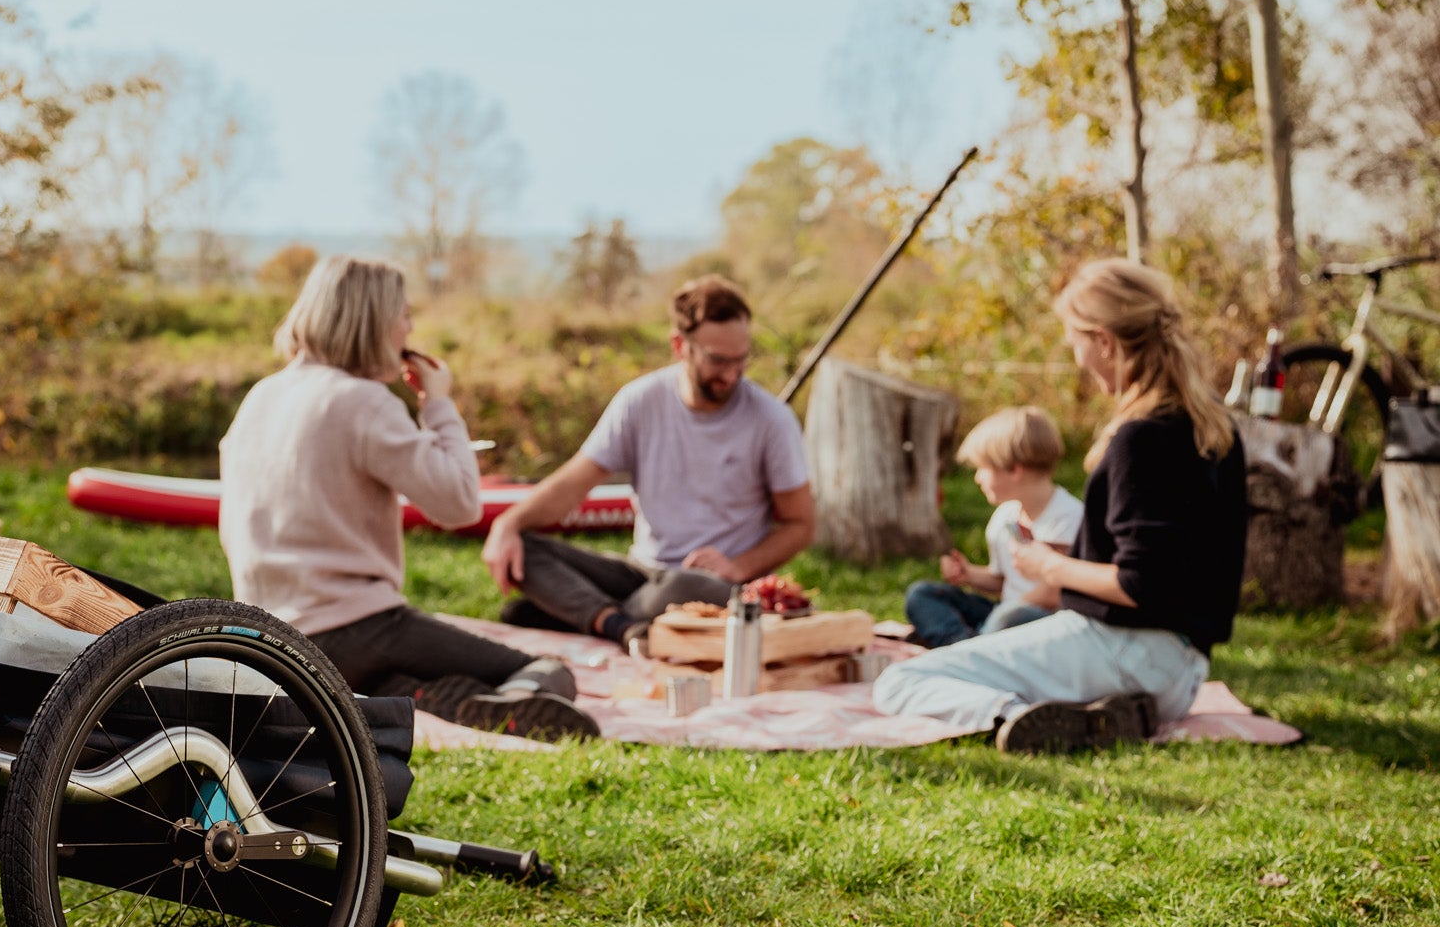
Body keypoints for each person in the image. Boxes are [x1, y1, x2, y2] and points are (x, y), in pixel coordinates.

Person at [219, 255, 600, 742]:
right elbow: (460, 504)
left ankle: (436, 702)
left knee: (392, 679)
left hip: (272, 639)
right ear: (375, 322)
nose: (410, 328)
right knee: (548, 670)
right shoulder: (362, 401)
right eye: (404, 314)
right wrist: (437, 403)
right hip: (359, 627)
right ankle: (506, 701)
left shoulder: (261, 397)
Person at [873, 258, 1246, 754]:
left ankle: (1021, 718)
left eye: (1076, 342)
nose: (1077, 358)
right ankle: (1102, 714)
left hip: (1124, 650)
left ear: (1104, 342)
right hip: (1183, 673)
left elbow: (1141, 583)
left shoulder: (1142, 438)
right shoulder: (1215, 429)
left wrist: (1051, 566)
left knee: (901, 681)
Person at [480, 275, 815, 647]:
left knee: (680, 586)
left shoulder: (771, 420)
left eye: (741, 360)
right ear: (679, 345)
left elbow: (801, 524)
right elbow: (573, 484)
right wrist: (507, 524)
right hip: (642, 573)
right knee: (525, 547)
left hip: (718, 585)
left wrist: (738, 566)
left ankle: (587, 614)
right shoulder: (639, 401)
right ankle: (619, 624)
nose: (732, 374)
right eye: (718, 360)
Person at [904, 406, 1085, 647]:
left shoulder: (1069, 518)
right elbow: (1002, 580)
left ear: (1014, 470)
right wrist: (969, 574)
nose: (977, 478)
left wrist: (1003, 615)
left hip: (1044, 620)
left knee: (1006, 617)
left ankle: (967, 647)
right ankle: (969, 646)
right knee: (922, 594)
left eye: (982, 468)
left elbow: (1053, 594)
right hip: (1004, 614)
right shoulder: (1005, 515)